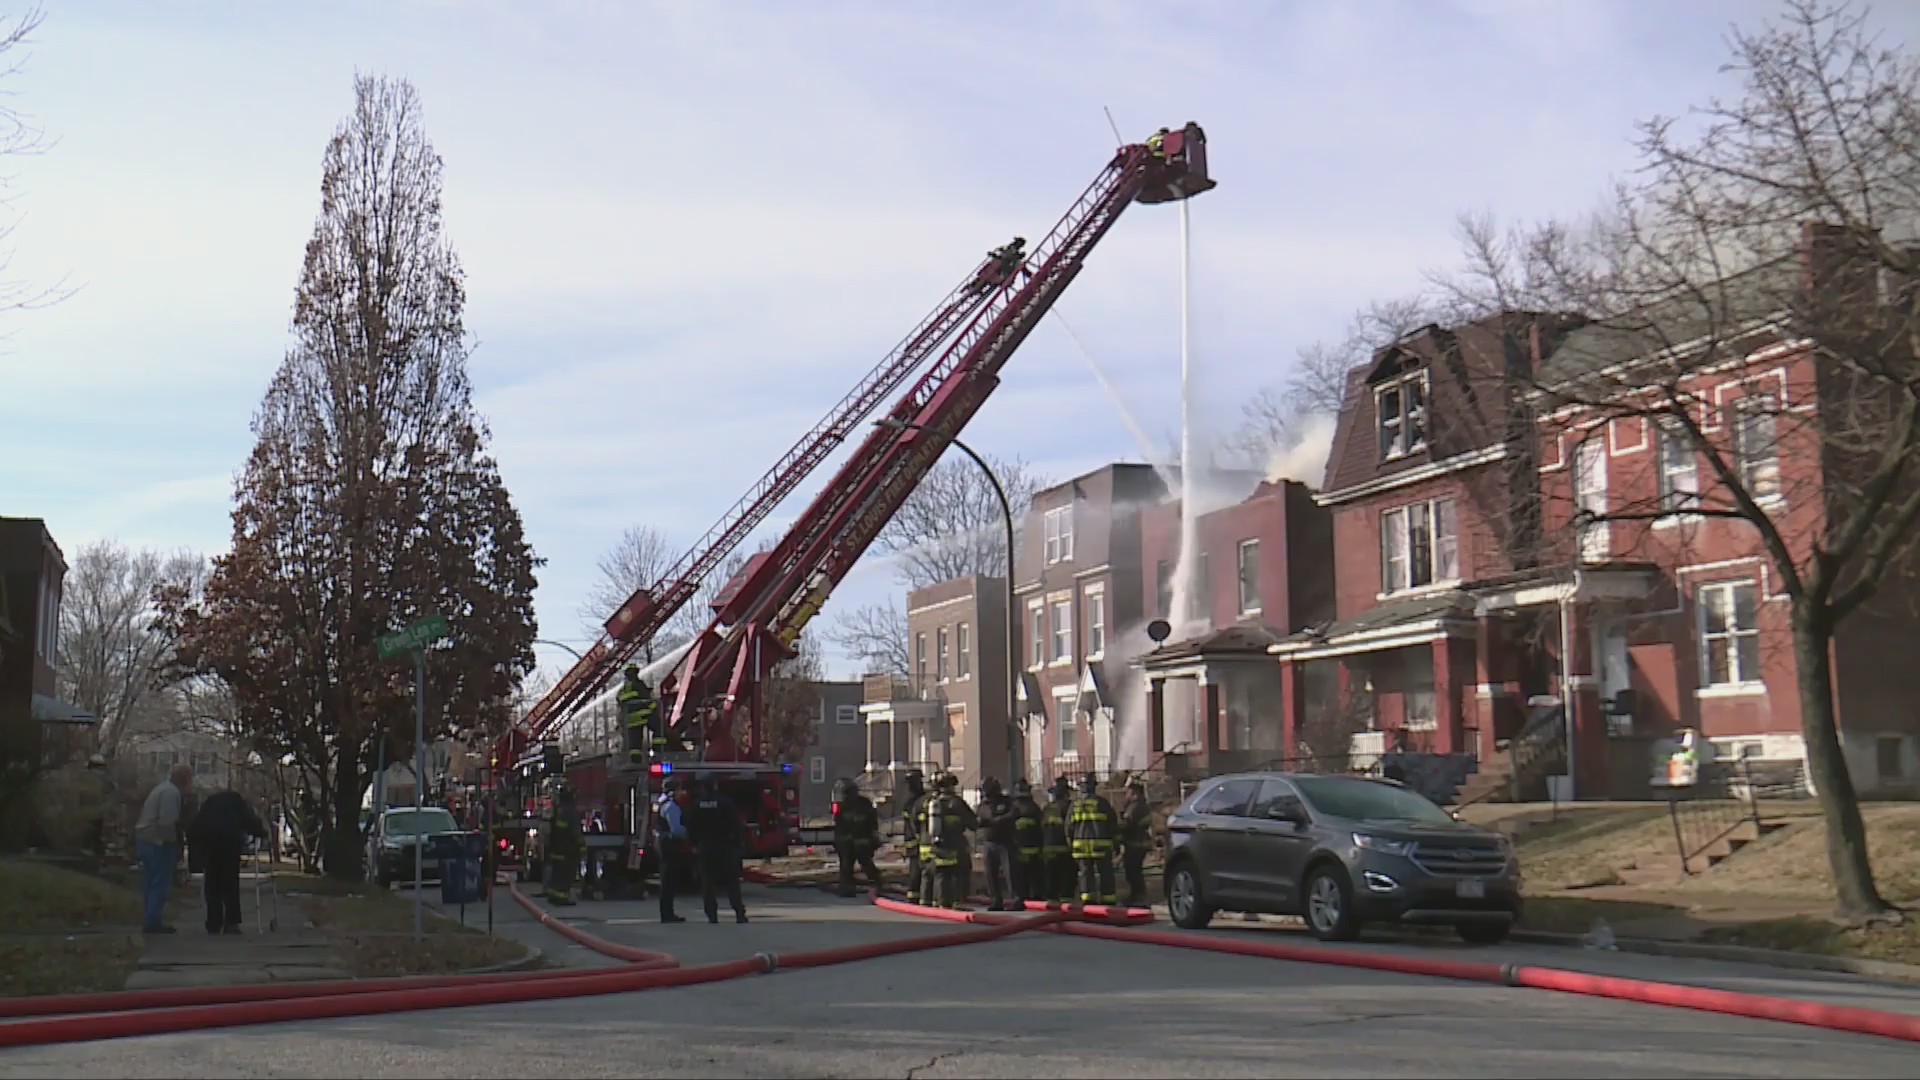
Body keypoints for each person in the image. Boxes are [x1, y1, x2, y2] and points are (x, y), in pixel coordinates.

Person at [188, 788, 269, 934]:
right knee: (230, 882)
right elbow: (249, 820)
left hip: (210, 842)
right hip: (229, 843)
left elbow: (196, 824)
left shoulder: (209, 803)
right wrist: (261, 832)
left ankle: (213, 922)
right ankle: (231, 922)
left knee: (212, 882)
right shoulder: (237, 802)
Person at [133, 764, 194, 934]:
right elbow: (167, 822)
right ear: (185, 779)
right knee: (160, 881)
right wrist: (174, 846)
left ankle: (151, 918)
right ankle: (153, 921)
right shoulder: (171, 793)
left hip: (146, 838)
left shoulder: (162, 789)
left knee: (151, 882)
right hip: (157, 841)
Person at [688, 776, 748, 924]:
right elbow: (736, 824)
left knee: (707, 884)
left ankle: (712, 916)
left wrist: (694, 844)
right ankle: (739, 913)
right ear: (715, 786)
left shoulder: (697, 804)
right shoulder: (725, 803)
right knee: (732, 882)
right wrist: (738, 844)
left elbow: (690, 826)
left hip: (705, 848)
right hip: (725, 847)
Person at [1068, 773, 1118, 907]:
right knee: (1105, 872)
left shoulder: (1074, 805)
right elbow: (1113, 824)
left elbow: (1068, 827)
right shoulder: (1102, 804)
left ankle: (1088, 900)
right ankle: (1108, 900)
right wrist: (1116, 844)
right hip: (1100, 846)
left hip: (1081, 846)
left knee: (1085, 873)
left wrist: (1071, 844)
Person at [927, 773, 976, 908]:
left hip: (939, 844)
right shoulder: (958, 803)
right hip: (956, 844)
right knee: (959, 873)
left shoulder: (932, 803)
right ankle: (958, 901)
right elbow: (973, 823)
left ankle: (940, 902)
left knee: (941, 873)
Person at [832, 778, 883, 897]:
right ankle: (847, 887)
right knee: (846, 865)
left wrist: (872, 839)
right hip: (848, 843)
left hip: (862, 842)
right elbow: (839, 825)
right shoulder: (841, 806)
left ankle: (876, 884)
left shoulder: (864, 804)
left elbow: (872, 823)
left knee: (865, 863)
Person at [973, 777, 1018, 911]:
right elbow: (977, 821)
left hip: (1005, 842)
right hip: (989, 843)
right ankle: (996, 900)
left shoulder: (1006, 802)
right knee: (990, 874)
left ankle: (1016, 900)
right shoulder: (982, 806)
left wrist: (995, 821)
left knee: (1010, 872)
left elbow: (1013, 815)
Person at [651, 778, 689, 923]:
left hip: (661, 843)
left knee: (666, 880)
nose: (682, 792)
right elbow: (677, 830)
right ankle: (667, 914)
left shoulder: (660, 802)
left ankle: (667, 912)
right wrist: (690, 832)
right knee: (668, 881)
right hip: (669, 845)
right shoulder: (671, 806)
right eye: (679, 789)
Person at [1118, 776, 1153, 906]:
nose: (1126, 794)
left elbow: (1127, 824)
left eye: (1128, 792)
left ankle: (1137, 897)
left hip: (1135, 844)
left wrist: (1118, 824)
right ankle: (1137, 895)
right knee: (1134, 870)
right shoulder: (1140, 804)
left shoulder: (1136, 806)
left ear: (1134, 792)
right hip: (1138, 843)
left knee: (1133, 871)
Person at [544, 783, 582, 906]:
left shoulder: (558, 809)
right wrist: (582, 847)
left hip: (555, 847)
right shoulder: (571, 811)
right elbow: (575, 832)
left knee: (557, 873)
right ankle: (562, 897)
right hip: (567, 849)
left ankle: (553, 895)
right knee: (566, 874)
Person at [1040, 776, 1075, 902]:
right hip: (1066, 850)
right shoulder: (1070, 807)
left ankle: (1052, 904)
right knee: (1067, 884)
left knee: (1051, 882)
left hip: (1048, 851)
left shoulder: (1047, 808)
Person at [1009, 779, 1044, 902]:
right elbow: (1041, 828)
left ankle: (1022, 896)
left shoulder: (1012, 807)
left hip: (1017, 850)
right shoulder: (1034, 808)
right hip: (1033, 849)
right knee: (1034, 875)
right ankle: (1036, 896)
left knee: (1020, 876)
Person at [617, 666, 658, 766]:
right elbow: (646, 698)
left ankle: (635, 762)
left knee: (635, 744)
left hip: (631, 719)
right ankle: (658, 753)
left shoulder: (624, 688)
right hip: (644, 715)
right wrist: (654, 708)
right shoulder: (638, 684)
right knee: (659, 729)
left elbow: (620, 700)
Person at [899, 769, 927, 904]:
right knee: (916, 868)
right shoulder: (911, 799)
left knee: (918, 868)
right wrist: (918, 837)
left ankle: (917, 894)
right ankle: (914, 896)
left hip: (914, 838)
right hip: (914, 839)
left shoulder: (915, 796)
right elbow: (913, 822)